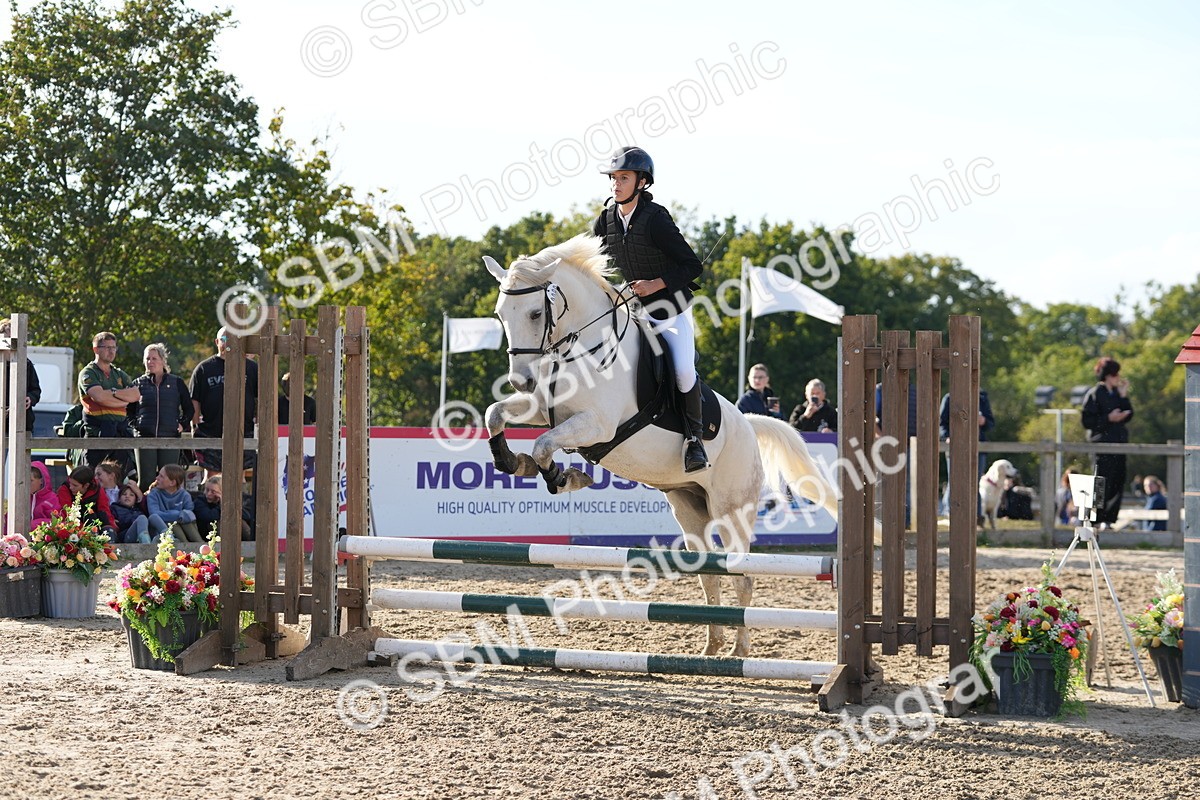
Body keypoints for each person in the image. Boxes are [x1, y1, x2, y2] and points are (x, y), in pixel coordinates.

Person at [593, 146, 707, 472]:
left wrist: (655, 284)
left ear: (641, 182)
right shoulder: (605, 220)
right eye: (614, 178)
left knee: (684, 370)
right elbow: (597, 265)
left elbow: (692, 266)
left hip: (669, 311)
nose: (616, 184)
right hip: (632, 314)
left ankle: (694, 441)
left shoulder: (656, 220)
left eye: (623, 178)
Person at [190, 327, 259, 475]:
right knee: (212, 475)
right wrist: (195, 425)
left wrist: (258, 423)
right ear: (217, 342)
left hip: (244, 431)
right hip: (211, 431)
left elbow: (261, 398)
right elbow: (194, 400)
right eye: (224, 339)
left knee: (238, 475)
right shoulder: (204, 369)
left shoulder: (251, 367)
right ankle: (211, 498)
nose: (228, 343)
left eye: (233, 339)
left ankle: (241, 499)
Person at [131, 343, 194, 491]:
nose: (150, 362)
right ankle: (145, 510)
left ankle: (169, 511)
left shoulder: (176, 382)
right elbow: (128, 411)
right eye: (147, 359)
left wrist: (181, 425)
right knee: (146, 480)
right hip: (144, 438)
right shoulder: (137, 384)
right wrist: (137, 425)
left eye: (154, 358)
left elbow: (189, 409)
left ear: (163, 361)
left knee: (170, 479)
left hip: (170, 437)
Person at [1080, 357, 1133, 529]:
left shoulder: (1118, 394)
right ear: (1108, 376)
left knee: (1118, 480)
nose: (1118, 377)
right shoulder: (1094, 394)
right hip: (1101, 444)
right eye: (1115, 374)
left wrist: (1124, 396)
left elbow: (1130, 414)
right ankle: (1094, 520)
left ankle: (1109, 519)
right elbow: (1087, 421)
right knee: (1100, 481)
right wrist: (1108, 418)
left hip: (1119, 442)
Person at [78, 331, 140, 474]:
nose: (111, 351)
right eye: (107, 347)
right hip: (97, 434)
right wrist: (123, 401)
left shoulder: (119, 374)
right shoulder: (88, 373)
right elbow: (99, 397)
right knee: (93, 478)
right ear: (96, 349)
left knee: (119, 479)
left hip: (119, 434)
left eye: (114, 347)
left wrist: (112, 392)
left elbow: (136, 395)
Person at [939, 389, 995, 522]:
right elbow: (941, 424)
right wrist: (947, 436)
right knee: (954, 479)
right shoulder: (950, 397)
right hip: (956, 446)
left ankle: (975, 515)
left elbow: (991, 423)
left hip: (977, 446)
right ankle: (949, 514)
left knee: (974, 482)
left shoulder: (981, 398)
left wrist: (983, 421)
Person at [0, 317, 40, 432]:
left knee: (21, 449)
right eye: (10, 338)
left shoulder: (26, 364)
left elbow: (36, 390)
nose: (13, 343)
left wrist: (30, 398)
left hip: (21, 424)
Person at [55, 464, 116, 536]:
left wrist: (112, 528)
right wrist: (83, 532)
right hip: (75, 525)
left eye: (75, 485)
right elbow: (68, 513)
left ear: (86, 485)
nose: (71, 487)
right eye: (70, 483)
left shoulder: (97, 489)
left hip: (95, 523)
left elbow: (105, 510)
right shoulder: (64, 490)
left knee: (99, 515)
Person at [147, 464, 202, 542]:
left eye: (161, 476)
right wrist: (178, 515)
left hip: (185, 526)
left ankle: (200, 543)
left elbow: (190, 515)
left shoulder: (185, 495)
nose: (157, 478)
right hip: (164, 529)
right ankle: (184, 545)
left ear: (172, 483)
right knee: (173, 523)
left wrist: (168, 514)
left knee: (188, 523)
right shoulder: (153, 494)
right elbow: (154, 514)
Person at [191, 474, 252, 541]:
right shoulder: (200, 500)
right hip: (209, 533)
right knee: (219, 522)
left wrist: (226, 503)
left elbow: (247, 515)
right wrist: (222, 505)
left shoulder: (234, 500)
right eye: (207, 490)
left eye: (213, 492)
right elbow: (209, 517)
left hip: (234, 533)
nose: (208, 494)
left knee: (240, 521)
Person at [29, 461, 60, 532]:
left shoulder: (52, 499)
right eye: (25, 480)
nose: (27, 483)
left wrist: (33, 525)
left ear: (41, 481)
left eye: (31, 480)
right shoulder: (21, 499)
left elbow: (58, 522)